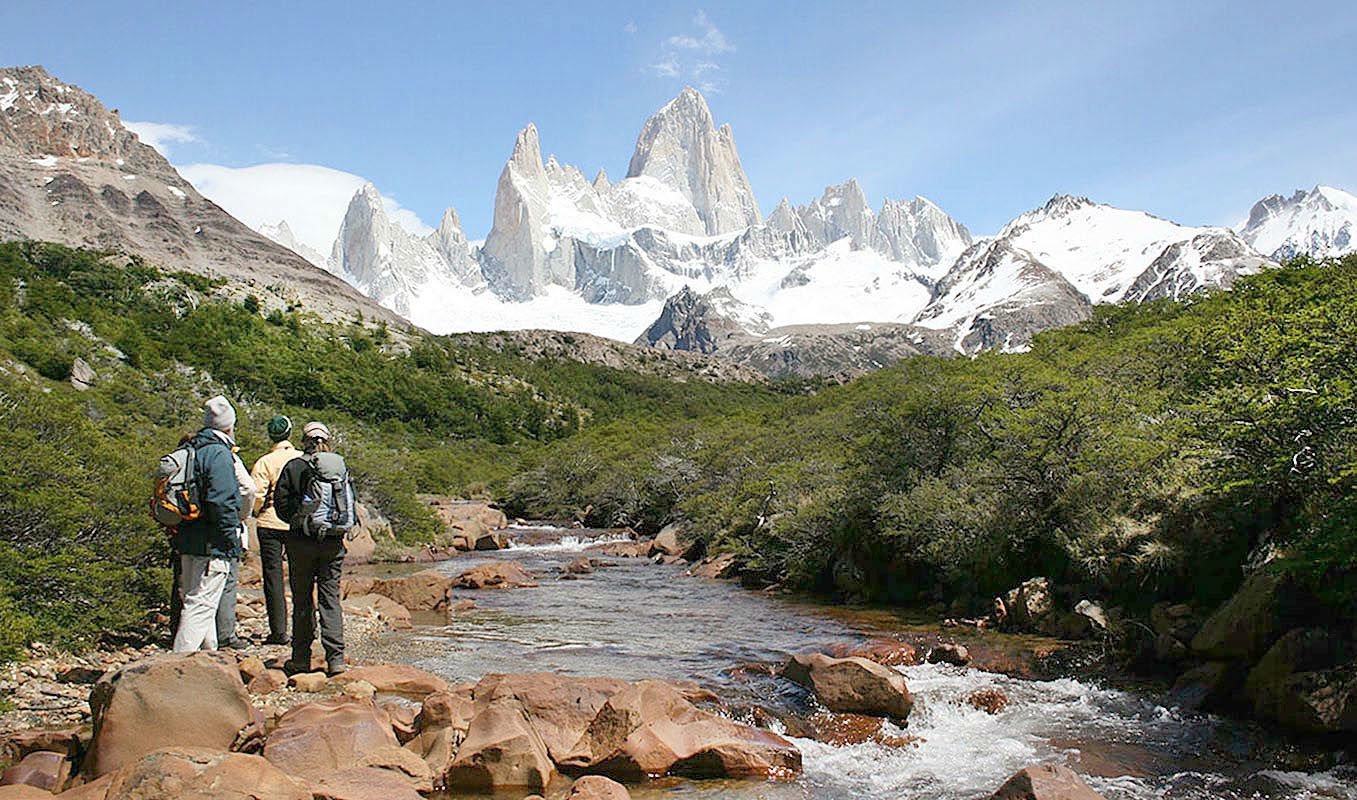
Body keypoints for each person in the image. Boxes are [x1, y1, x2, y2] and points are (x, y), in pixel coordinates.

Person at [274, 421, 349, 676]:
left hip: (301, 543)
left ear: (303, 440)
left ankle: (301, 658)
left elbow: (281, 507)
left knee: (302, 599)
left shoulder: (294, 466)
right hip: (333, 543)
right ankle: (336, 659)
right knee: (330, 599)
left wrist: (299, 520)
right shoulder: (339, 467)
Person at [172, 395, 242, 652]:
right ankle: (178, 666)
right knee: (200, 606)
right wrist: (231, 539)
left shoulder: (191, 448)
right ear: (229, 426)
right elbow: (221, 501)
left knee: (195, 600)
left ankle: (208, 658)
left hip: (188, 536)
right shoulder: (219, 454)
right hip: (212, 543)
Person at [249, 415, 299, 645]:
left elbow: (256, 495)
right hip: (297, 524)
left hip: (269, 523)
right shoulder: (301, 458)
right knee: (303, 577)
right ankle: (306, 628)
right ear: (290, 433)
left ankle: (278, 632)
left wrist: (258, 512)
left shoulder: (264, 462)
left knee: (273, 578)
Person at [215, 446, 257, 649]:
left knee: (191, 587)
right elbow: (249, 489)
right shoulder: (227, 457)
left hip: (188, 528)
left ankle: (188, 635)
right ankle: (224, 635)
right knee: (227, 582)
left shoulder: (189, 454)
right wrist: (242, 516)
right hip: (225, 527)